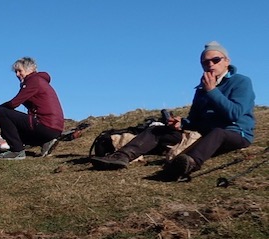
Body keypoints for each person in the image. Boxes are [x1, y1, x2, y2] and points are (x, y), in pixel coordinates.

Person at [93, 41, 255, 181]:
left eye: (216, 60)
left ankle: (188, 164)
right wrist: (182, 123)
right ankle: (122, 156)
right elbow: (195, 119)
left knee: (218, 133)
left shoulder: (241, 82)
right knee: (157, 130)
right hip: (204, 133)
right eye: (205, 62)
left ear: (227, 61)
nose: (211, 64)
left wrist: (212, 91)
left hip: (234, 133)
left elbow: (234, 114)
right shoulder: (202, 88)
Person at [0, 57, 65, 160]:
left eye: (19, 71)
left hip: (45, 125)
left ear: (29, 70)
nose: (17, 74)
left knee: (2, 112)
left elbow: (14, 103)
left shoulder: (33, 80)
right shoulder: (40, 81)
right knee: (7, 131)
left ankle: (17, 151)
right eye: (15, 71)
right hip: (54, 128)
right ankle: (46, 142)